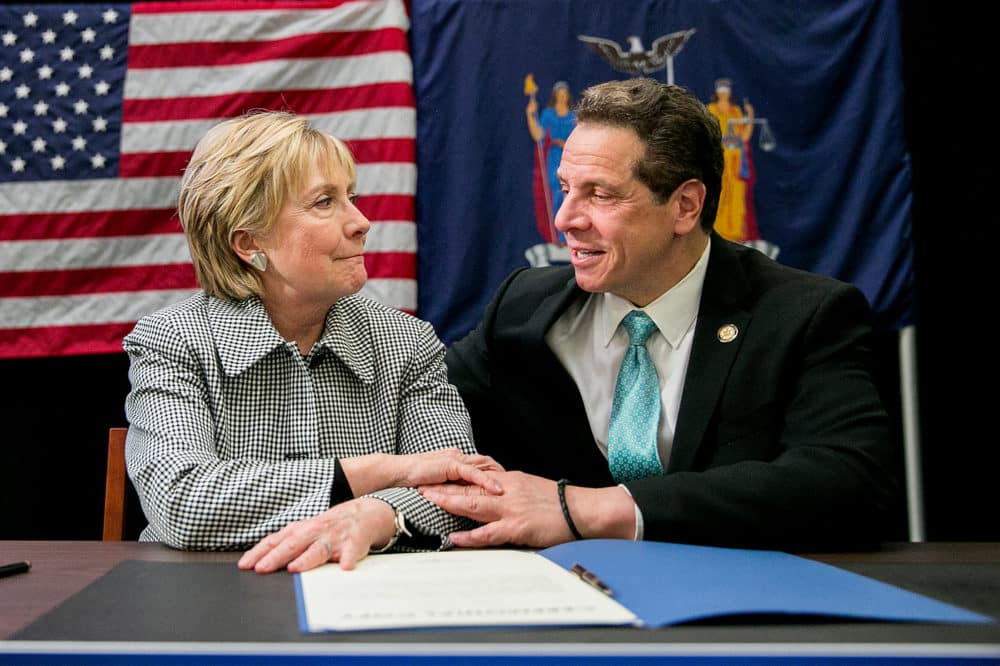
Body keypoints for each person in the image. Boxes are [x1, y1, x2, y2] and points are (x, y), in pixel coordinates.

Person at [421, 78, 898, 551]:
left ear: (685, 206)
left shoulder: (803, 315)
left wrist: (586, 509)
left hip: (735, 607)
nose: (565, 218)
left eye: (600, 194)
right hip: (567, 611)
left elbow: (851, 482)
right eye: (565, 188)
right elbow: (411, 417)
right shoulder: (521, 310)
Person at [122, 110, 502, 574]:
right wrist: (386, 472)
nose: (362, 222)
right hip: (215, 606)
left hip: (371, 598)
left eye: (352, 197)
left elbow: (465, 493)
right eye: (325, 202)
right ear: (248, 242)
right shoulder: (173, 341)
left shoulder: (408, 341)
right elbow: (182, 502)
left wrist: (374, 516)